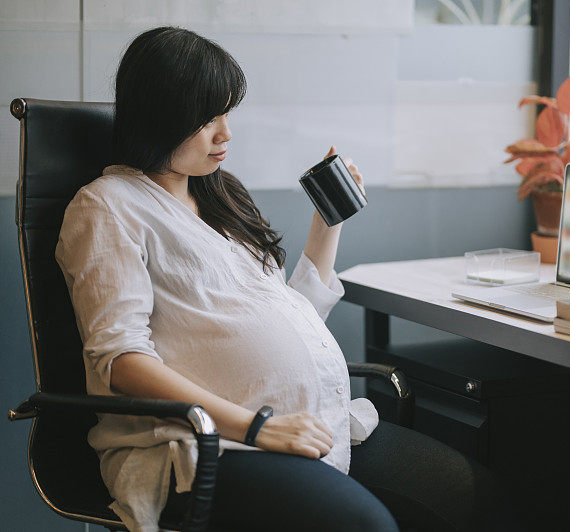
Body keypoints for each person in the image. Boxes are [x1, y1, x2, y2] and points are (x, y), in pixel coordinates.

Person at [55, 26, 523, 532]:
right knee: (365, 526)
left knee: (480, 501)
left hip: (310, 421)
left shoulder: (219, 195)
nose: (225, 133)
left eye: (227, 113)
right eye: (205, 118)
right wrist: (258, 428)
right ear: (159, 116)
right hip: (205, 445)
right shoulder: (108, 206)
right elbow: (121, 362)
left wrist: (328, 223)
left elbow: (295, 314)